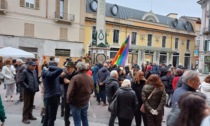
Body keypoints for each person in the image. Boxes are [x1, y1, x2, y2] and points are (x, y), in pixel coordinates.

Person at [66, 62, 94, 126]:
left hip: (76, 103)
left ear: (78, 68)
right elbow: (92, 90)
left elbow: (70, 92)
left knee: (77, 121)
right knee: (84, 118)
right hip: (85, 102)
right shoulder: (90, 77)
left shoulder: (75, 78)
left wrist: (68, 101)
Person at [42, 61, 63, 126]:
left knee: (47, 115)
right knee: (52, 116)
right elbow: (60, 70)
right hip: (53, 96)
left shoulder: (47, 73)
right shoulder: (49, 74)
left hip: (50, 96)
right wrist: (51, 67)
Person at [61, 61, 77, 126]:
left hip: (74, 97)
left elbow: (78, 85)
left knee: (75, 113)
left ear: (73, 67)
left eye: (69, 67)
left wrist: (70, 82)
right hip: (66, 95)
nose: (67, 69)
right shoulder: (65, 74)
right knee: (66, 112)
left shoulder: (76, 74)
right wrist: (61, 77)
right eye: (66, 67)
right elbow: (60, 82)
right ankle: (66, 124)